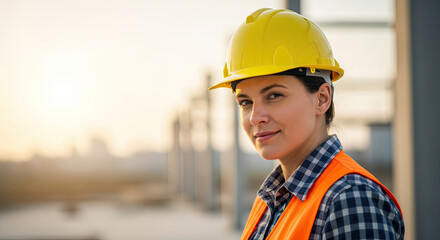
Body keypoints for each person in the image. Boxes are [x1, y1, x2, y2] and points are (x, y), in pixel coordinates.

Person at [209, 8, 404, 240]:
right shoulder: (270, 198)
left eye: (273, 96)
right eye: (245, 102)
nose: (255, 117)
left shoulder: (349, 199)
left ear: (322, 99)